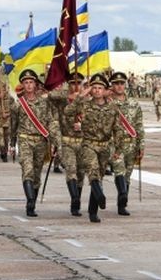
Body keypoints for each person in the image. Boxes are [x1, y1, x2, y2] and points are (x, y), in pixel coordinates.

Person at [65, 73, 123, 223]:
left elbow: (118, 129)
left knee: (99, 176)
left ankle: (93, 211)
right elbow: (68, 112)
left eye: (100, 88)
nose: (97, 90)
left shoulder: (112, 108)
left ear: (105, 90)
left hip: (104, 146)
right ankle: (101, 196)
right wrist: (80, 97)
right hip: (88, 144)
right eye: (94, 88)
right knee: (93, 172)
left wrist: (118, 149)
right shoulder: (85, 105)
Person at [10, 69, 60, 217]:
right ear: (22, 85)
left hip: (41, 141)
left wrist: (55, 142)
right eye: (26, 82)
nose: (29, 85)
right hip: (24, 139)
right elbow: (14, 125)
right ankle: (30, 200)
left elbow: (51, 122)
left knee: (37, 175)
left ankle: (31, 203)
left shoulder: (44, 103)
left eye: (31, 82)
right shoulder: (18, 105)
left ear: (36, 84)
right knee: (28, 171)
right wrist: (12, 144)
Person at [48, 72, 88, 216]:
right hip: (67, 141)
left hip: (83, 142)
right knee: (71, 170)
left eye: (79, 83)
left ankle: (75, 203)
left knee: (81, 174)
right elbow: (50, 95)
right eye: (72, 83)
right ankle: (75, 199)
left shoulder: (88, 100)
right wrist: (69, 96)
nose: (76, 86)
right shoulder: (63, 99)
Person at [109, 71, 145, 216]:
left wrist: (141, 145)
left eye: (121, 83)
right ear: (112, 85)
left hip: (131, 143)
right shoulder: (108, 103)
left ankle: (122, 204)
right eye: (116, 83)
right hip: (114, 144)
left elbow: (139, 125)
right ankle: (123, 193)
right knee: (119, 169)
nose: (119, 86)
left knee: (127, 175)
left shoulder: (134, 103)